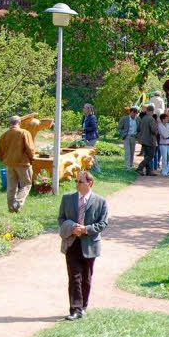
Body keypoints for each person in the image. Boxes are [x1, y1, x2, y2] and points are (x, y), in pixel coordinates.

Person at [58, 171, 109, 321]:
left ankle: (83, 306)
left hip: (89, 244)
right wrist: (71, 228)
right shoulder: (67, 199)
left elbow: (103, 223)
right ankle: (75, 309)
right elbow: (61, 218)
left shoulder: (100, 201)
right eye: (76, 181)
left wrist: (86, 229)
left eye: (80, 182)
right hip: (71, 242)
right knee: (74, 276)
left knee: (86, 277)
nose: (77, 184)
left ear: (89, 183)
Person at [0, 115, 35, 213]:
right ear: (20, 123)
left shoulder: (4, 135)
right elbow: (30, 149)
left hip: (9, 164)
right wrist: (32, 158)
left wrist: (4, 160)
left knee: (11, 186)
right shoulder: (24, 133)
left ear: (10, 123)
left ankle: (11, 208)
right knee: (27, 184)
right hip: (23, 163)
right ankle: (17, 203)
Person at [135, 105, 158, 176]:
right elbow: (153, 130)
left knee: (147, 155)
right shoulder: (151, 119)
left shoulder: (143, 118)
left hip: (143, 139)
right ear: (152, 111)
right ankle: (140, 168)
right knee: (151, 155)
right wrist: (157, 131)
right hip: (150, 140)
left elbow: (139, 128)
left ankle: (148, 170)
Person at [118, 107, 139, 172]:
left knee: (132, 152)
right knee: (127, 152)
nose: (134, 115)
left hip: (134, 137)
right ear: (130, 112)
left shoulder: (138, 119)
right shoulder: (124, 119)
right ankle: (127, 167)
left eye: (135, 113)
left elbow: (140, 128)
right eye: (133, 113)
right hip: (127, 137)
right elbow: (119, 128)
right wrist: (123, 134)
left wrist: (138, 135)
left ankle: (130, 165)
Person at [82, 104, 100, 171]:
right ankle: (89, 168)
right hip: (86, 137)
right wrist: (82, 130)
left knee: (90, 153)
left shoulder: (92, 117)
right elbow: (84, 127)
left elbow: (94, 127)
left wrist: (84, 129)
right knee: (88, 153)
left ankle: (97, 169)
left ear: (88, 109)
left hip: (92, 137)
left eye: (84, 108)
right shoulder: (84, 117)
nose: (83, 109)